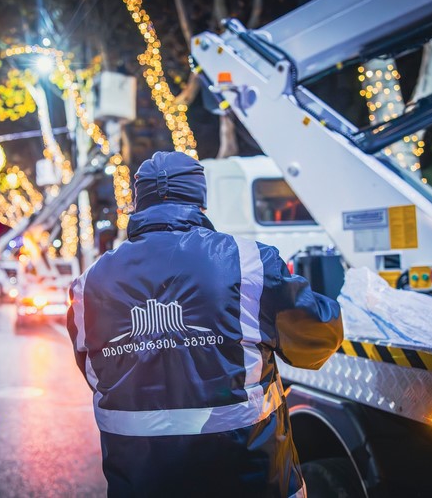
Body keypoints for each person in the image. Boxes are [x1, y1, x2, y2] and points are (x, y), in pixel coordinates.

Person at [67, 151, 343, 497]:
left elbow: (96, 375)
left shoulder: (88, 285)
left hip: (139, 482)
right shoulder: (248, 263)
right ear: (200, 200)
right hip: (249, 478)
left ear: (137, 204)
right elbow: (317, 339)